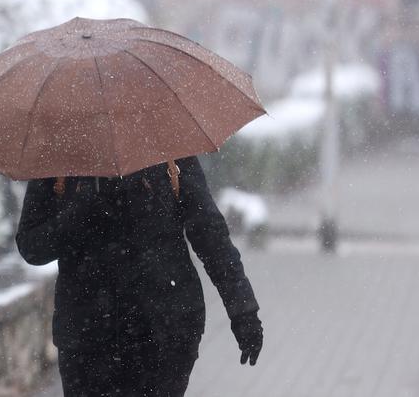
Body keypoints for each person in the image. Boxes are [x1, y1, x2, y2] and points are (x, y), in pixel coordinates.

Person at [16, 156, 262, 397]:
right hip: (87, 336)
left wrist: (242, 308)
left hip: (166, 329)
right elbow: (31, 246)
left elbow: (209, 233)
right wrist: (82, 211)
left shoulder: (163, 142)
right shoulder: (62, 150)